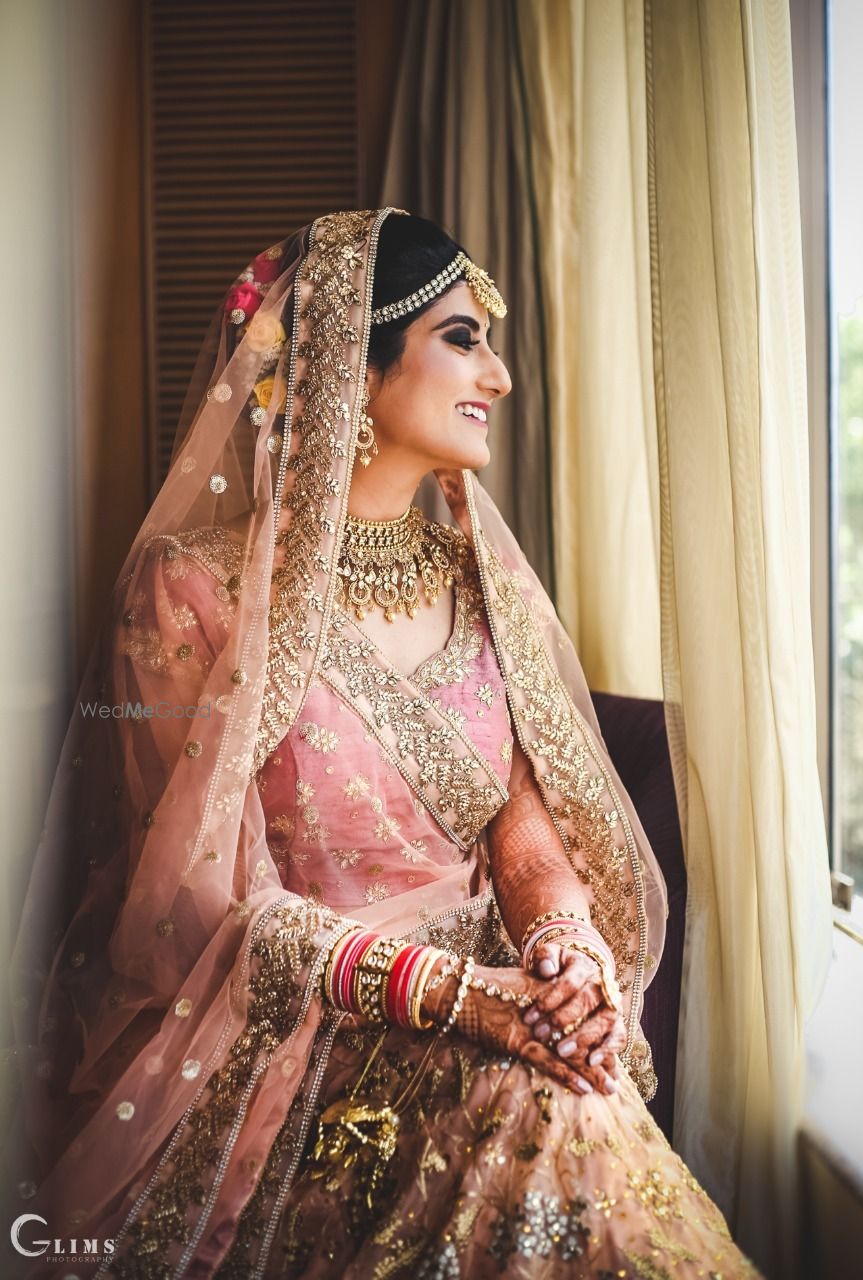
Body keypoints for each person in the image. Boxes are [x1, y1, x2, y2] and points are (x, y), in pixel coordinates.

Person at [4, 208, 761, 1278]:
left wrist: (561, 943)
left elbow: (518, 817)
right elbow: (183, 903)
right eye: (463, 337)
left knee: (570, 1101)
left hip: (505, 999)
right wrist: (461, 997)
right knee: (547, 1105)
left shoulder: (476, 581)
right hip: (304, 1033)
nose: (495, 376)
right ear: (350, 369)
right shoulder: (194, 588)